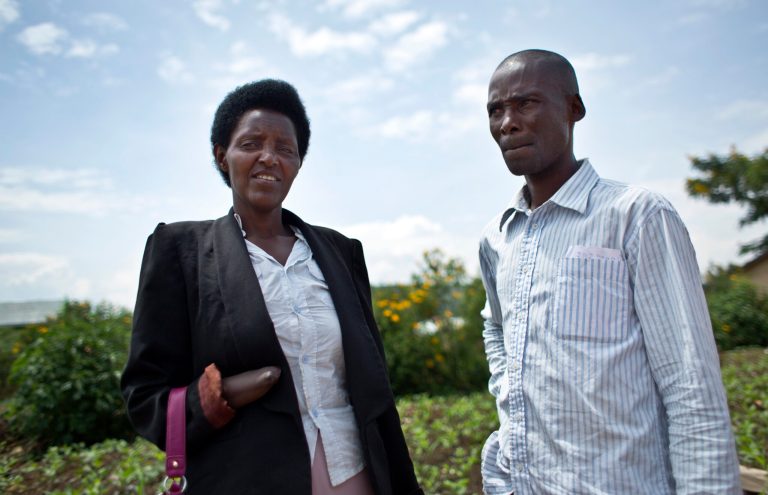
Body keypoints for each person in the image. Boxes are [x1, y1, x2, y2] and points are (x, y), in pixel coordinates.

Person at [121, 79, 423, 495]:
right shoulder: (181, 252)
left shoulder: (340, 252)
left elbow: (374, 387)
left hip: (356, 475)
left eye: (286, 149)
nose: (269, 157)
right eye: (251, 144)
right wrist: (219, 395)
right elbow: (144, 394)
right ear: (221, 155)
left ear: (298, 163)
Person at [478, 49, 741, 494]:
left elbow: (689, 382)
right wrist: (508, 388)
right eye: (495, 110)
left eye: (526, 103)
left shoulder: (635, 216)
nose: (508, 123)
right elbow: (495, 327)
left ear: (573, 109)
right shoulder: (498, 237)